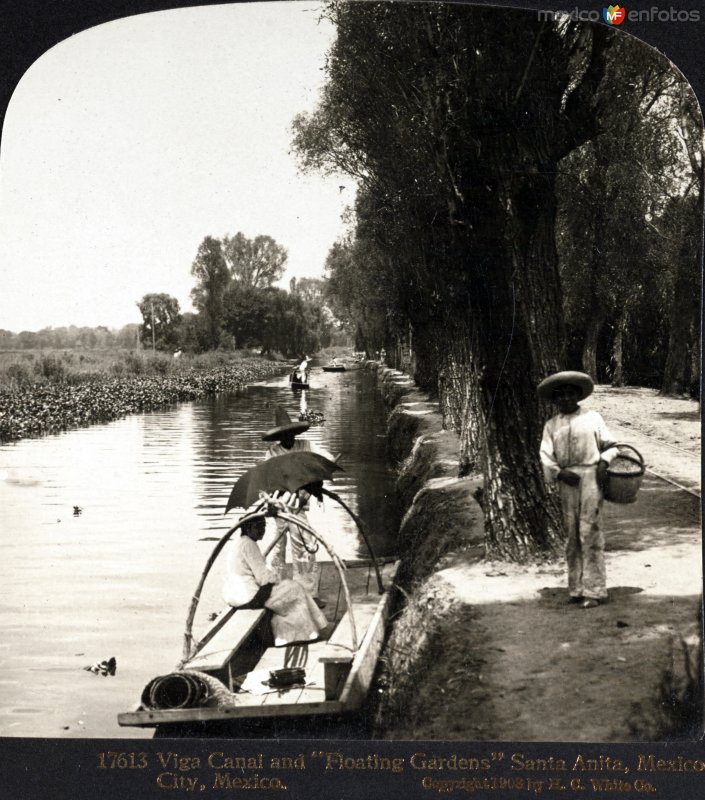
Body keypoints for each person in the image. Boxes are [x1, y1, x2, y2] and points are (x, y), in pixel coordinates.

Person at [538, 371, 619, 609]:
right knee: (572, 533)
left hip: (591, 477)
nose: (565, 398)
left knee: (590, 530)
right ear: (555, 400)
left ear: (578, 395)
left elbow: (612, 446)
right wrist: (559, 472)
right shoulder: (552, 425)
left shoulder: (593, 418)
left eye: (570, 393)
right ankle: (576, 587)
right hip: (567, 480)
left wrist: (603, 462)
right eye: (560, 395)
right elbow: (545, 455)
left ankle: (594, 590)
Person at [262, 406, 337, 605]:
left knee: (304, 547)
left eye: (290, 434)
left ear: (294, 433)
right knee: (276, 550)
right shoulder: (272, 453)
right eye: (283, 436)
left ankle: (308, 594)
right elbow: (270, 481)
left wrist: (314, 480)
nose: (288, 439)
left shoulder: (306, 446)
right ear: (279, 437)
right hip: (280, 507)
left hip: (299, 506)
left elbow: (328, 460)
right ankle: (274, 592)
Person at [222, 516, 328, 646]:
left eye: (264, 526)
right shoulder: (249, 544)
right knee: (296, 588)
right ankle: (301, 634)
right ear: (248, 529)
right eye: (258, 527)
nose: (262, 530)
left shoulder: (238, 543)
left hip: (233, 595)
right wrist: (275, 578)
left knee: (289, 588)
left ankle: (295, 632)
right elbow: (264, 579)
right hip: (250, 597)